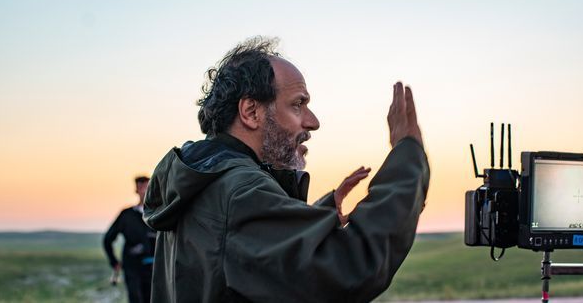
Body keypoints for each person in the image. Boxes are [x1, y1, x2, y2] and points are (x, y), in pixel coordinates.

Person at [143, 37, 430, 302]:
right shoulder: (239, 191)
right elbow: (350, 266)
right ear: (251, 112)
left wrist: (324, 210)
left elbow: (239, 265)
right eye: (298, 104)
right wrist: (407, 157)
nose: (313, 121)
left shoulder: (202, 180)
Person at [103, 176, 156, 303]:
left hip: (156, 267)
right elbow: (108, 239)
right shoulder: (127, 215)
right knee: (136, 298)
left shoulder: (158, 214)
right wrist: (114, 261)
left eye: (147, 187)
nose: (144, 190)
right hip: (133, 266)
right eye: (141, 187)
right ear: (136, 190)